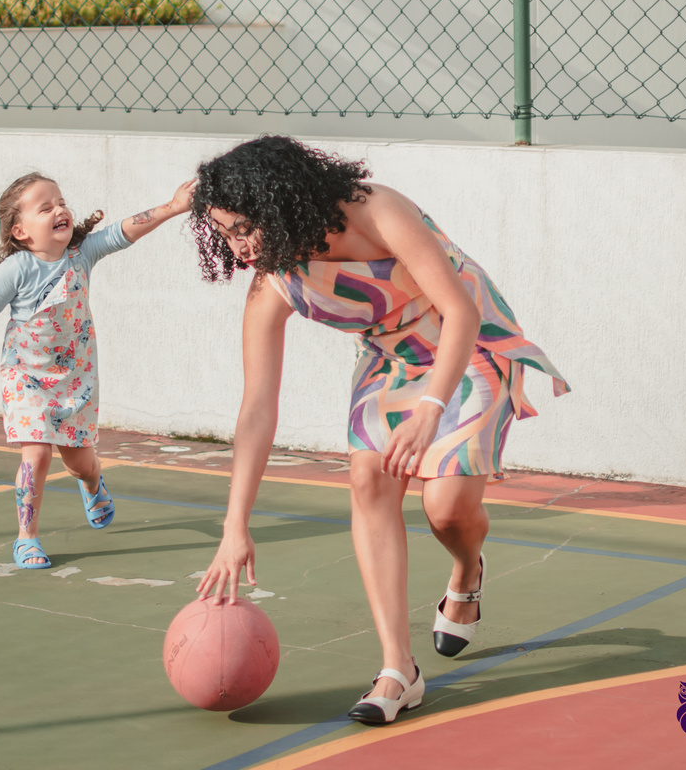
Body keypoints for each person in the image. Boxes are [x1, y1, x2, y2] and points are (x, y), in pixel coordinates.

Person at [189, 136, 568, 723]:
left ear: (281, 202)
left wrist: (431, 409)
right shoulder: (272, 283)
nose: (239, 251)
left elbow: (461, 310)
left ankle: (466, 570)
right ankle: (398, 669)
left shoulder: (374, 209)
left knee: (446, 510)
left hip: (467, 347)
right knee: (367, 481)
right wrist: (233, 527)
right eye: (226, 236)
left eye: (244, 229)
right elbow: (257, 410)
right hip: (390, 362)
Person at [0, 172, 196, 569]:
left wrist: (172, 207)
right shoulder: (16, 270)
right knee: (36, 455)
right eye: (45, 207)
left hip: (75, 378)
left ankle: (92, 482)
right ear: (20, 231)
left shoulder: (81, 254)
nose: (60, 210)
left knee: (78, 462)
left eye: (61, 202)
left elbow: (125, 231)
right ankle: (27, 538)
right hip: (25, 377)